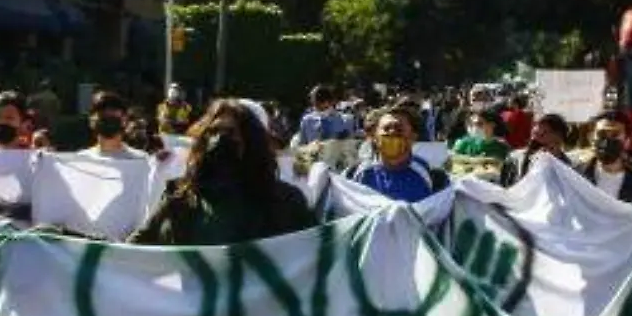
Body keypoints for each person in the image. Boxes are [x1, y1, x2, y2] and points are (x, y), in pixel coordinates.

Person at [127, 99, 316, 247]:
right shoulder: (179, 196)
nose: (219, 140)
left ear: (252, 142)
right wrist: (101, 253)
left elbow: (316, 253)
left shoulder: (286, 202)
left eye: (230, 133)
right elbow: (137, 247)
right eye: (214, 131)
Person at [347, 105, 450, 203]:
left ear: (413, 137)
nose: (392, 132)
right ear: (374, 137)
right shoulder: (355, 174)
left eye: (399, 129)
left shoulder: (434, 178)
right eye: (386, 129)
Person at [578, 111, 632, 204]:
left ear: (627, 141)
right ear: (591, 138)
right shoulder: (576, 175)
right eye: (601, 134)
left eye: (615, 135)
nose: (607, 141)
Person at [499, 114, 571, 187]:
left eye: (544, 133)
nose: (537, 136)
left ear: (559, 139)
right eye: (535, 132)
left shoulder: (568, 168)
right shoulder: (514, 159)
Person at [82, 91, 145, 161]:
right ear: (91, 121)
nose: (108, 114)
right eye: (102, 113)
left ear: (124, 119)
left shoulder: (141, 159)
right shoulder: (81, 161)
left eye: (113, 111)